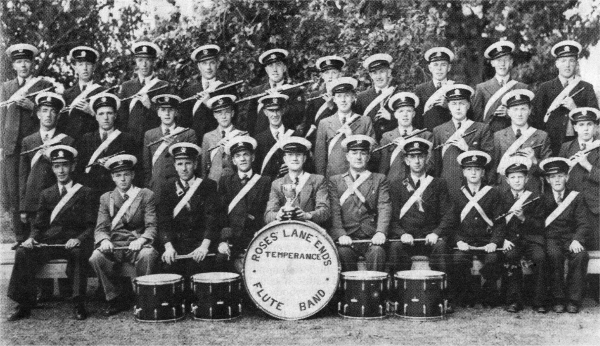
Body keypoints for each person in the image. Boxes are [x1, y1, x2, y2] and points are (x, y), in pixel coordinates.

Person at [7, 145, 95, 321]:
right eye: (56, 166)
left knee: (78, 254)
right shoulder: (46, 194)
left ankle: (79, 303)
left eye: (64, 165)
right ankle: (24, 304)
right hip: (51, 242)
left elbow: (91, 226)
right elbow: (39, 226)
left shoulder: (85, 192)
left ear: (72, 166)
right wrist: (32, 238)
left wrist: (78, 239)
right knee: (23, 252)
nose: (61, 170)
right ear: (52, 168)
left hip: (73, 242)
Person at [89, 154, 159, 316]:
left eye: (126, 174)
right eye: (118, 175)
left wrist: (142, 240)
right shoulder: (106, 198)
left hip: (136, 245)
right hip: (114, 246)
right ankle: (115, 297)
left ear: (133, 175)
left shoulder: (145, 195)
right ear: (112, 177)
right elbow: (100, 228)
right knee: (96, 257)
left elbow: (151, 226)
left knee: (148, 254)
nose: (123, 179)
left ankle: (144, 297)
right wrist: (104, 240)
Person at [0, 43, 53, 244]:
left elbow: (49, 114)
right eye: (19, 62)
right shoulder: (6, 88)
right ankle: (19, 236)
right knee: (15, 192)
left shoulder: (43, 86)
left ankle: (36, 235)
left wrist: (33, 107)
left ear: (32, 63)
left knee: (36, 189)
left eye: (27, 61)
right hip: (12, 147)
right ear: (13, 65)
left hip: (35, 145)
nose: (23, 65)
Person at [387, 138, 453, 277]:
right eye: (412, 156)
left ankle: (444, 294)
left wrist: (437, 232)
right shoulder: (397, 185)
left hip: (430, 238)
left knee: (442, 247)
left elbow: (448, 214)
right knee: (395, 248)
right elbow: (391, 218)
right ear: (406, 160)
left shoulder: (438, 184)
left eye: (420, 156)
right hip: (406, 239)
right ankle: (395, 295)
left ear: (427, 158)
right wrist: (401, 234)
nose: (417, 161)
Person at [449, 151, 505, 307]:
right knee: (458, 259)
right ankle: (467, 294)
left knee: (493, 259)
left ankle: (489, 292)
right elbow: (451, 223)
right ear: (464, 172)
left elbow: (499, 222)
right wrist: (458, 241)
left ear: (483, 172)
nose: (473, 173)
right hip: (465, 241)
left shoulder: (493, 193)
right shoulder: (456, 194)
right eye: (469, 169)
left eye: (477, 169)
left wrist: (494, 242)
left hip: (486, 241)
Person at [328, 135, 391, 272]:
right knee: (342, 254)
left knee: (378, 252)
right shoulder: (336, 181)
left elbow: (384, 206)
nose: (358, 157)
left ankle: (374, 292)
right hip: (347, 237)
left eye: (363, 153)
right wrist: (340, 234)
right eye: (354, 153)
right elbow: (334, 211)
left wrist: (380, 232)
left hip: (371, 237)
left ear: (368, 157)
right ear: (347, 156)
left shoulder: (379, 179)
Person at [159, 142, 220, 277]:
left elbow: (212, 219)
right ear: (175, 166)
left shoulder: (207, 185)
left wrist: (204, 246)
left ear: (195, 164)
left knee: (201, 269)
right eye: (180, 164)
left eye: (188, 163)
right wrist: (168, 247)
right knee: (168, 271)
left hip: (200, 244)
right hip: (177, 245)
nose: (184, 168)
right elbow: (164, 221)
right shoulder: (168, 187)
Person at [19, 92, 74, 241]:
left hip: (57, 200)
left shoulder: (67, 141)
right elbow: (23, 176)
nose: (48, 115)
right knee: (33, 244)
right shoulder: (28, 141)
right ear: (38, 114)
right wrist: (23, 207)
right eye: (44, 110)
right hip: (33, 202)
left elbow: (71, 175)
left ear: (58, 116)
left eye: (53, 111)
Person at [539, 157, 590, 313]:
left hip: (570, 238)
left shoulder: (576, 197)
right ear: (548, 180)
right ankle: (558, 298)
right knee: (554, 255)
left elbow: (583, 223)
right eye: (553, 177)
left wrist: (577, 239)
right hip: (551, 238)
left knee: (580, 255)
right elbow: (538, 224)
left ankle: (574, 300)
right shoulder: (541, 198)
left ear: (567, 177)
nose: (557, 180)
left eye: (560, 176)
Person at [532, 40, 598, 155]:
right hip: (551, 144)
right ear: (557, 63)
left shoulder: (586, 87)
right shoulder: (545, 88)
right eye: (563, 61)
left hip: (578, 143)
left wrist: (575, 109)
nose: (567, 65)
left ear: (576, 63)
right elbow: (536, 118)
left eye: (571, 61)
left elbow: (596, 117)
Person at [216, 136, 271, 273]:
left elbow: (266, 211)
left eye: (246, 154)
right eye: (238, 156)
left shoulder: (264, 181)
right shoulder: (225, 181)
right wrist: (223, 241)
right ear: (233, 160)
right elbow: (221, 213)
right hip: (232, 238)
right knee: (220, 260)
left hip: (255, 236)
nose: (242, 159)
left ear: (252, 157)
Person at [499, 156, 547, 313]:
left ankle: (539, 301)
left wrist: (524, 218)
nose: (517, 180)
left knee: (539, 258)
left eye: (520, 177)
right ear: (507, 180)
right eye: (513, 177)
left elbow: (540, 224)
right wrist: (503, 240)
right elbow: (497, 224)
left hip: (532, 239)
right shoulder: (500, 197)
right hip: (511, 240)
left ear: (526, 179)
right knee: (511, 256)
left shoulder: (536, 197)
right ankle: (514, 300)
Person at [432, 85, 494, 201]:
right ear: (448, 106)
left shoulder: (482, 128)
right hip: (447, 187)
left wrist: (468, 149)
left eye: (462, 103)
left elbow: (489, 159)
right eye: (454, 104)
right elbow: (435, 164)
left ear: (468, 105)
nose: (458, 108)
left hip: (474, 186)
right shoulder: (439, 131)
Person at [77, 93, 139, 201]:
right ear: (95, 116)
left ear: (115, 115)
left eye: (109, 113)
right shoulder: (86, 139)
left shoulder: (127, 139)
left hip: (117, 195)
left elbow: (135, 171)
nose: (105, 118)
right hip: (91, 195)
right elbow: (80, 170)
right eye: (101, 114)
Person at [492, 89, 551, 193]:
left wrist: (534, 160)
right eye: (515, 109)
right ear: (508, 112)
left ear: (529, 111)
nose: (519, 114)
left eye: (523, 109)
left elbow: (548, 169)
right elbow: (493, 171)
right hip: (505, 192)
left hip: (532, 192)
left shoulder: (541, 136)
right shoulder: (498, 136)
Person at [315, 77, 375, 177]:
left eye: (347, 96)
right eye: (339, 96)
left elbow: (374, 152)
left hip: (359, 177)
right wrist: (322, 182)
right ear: (334, 99)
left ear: (353, 98)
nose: (343, 100)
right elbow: (320, 158)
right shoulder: (324, 123)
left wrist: (352, 137)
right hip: (333, 178)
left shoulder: (365, 121)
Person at [143, 94, 197, 204]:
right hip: (157, 188)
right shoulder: (150, 135)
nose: (167, 114)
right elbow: (146, 166)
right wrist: (149, 186)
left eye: (171, 110)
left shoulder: (187, 133)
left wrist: (174, 143)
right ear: (158, 112)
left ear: (176, 112)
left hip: (180, 187)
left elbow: (194, 163)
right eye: (163, 110)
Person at [559, 107, 600, 250]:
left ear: (595, 126)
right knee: (575, 250)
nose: (586, 129)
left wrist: (588, 165)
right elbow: (560, 176)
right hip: (573, 206)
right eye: (581, 125)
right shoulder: (566, 147)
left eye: (589, 124)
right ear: (575, 127)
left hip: (596, 208)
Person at [264, 136, 330, 226]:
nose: (294, 158)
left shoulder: (318, 180)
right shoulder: (277, 184)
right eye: (290, 155)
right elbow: (268, 215)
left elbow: (325, 211)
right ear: (285, 159)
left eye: (298, 154)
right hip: (286, 234)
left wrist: (307, 215)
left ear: (304, 158)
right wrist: (278, 215)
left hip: (310, 232)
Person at [241, 48, 306, 136]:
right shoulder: (257, 92)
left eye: (278, 65)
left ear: (284, 68)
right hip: (262, 143)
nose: (275, 70)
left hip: (286, 141)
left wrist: (280, 101)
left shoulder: (295, 91)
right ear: (266, 70)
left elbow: (298, 117)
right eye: (271, 66)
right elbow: (250, 123)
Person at [180, 44, 238, 141]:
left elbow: (234, 118)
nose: (208, 67)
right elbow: (185, 122)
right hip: (196, 142)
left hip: (220, 140)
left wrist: (208, 104)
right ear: (198, 66)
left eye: (212, 63)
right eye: (204, 63)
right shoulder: (189, 91)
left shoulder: (227, 89)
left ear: (217, 64)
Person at [117, 41, 169, 144]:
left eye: (148, 60)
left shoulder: (163, 86)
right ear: (136, 61)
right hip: (131, 140)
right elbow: (121, 117)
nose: (144, 64)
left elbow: (170, 115)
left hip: (155, 139)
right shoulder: (126, 86)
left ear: (153, 61)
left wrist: (151, 106)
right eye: (140, 60)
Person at [472, 40, 528, 133]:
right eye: (498, 60)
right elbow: (477, 122)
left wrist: (510, 113)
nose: (502, 64)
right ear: (492, 63)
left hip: (515, 140)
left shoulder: (522, 88)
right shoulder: (481, 88)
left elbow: (531, 120)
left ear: (511, 62)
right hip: (490, 140)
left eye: (506, 59)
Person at [379, 92, 434, 184]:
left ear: (414, 114)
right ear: (395, 115)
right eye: (401, 111)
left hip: (419, 184)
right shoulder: (387, 137)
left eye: (408, 111)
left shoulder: (425, 136)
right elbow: (383, 169)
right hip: (393, 185)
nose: (405, 115)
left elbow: (431, 166)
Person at [58, 46, 106, 141]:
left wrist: (92, 112)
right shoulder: (67, 94)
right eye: (80, 64)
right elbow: (62, 123)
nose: (84, 68)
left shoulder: (103, 92)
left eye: (88, 64)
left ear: (94, 67)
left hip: (94, 142)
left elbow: (110, 121)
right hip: (71, 142)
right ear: (74, 67)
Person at [254, 93, 302, 181]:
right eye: (271, 111)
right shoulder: (258, 140)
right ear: (265, 112)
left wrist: (293, 166)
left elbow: (307, 165)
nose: (275, 114)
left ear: (283, 111)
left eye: (277, 110)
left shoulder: (295, 136)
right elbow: (256, 171)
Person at [200, 94, 245, 185]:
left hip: (234, 183)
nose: (223, 116)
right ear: (214, 115)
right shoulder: (208, 137)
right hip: (213, 183)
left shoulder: (241, 134)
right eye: (219, 113)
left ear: (232, 113)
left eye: (227, 112)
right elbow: (204, 166)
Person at [355, 53, 397, 141]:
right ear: (370, 76)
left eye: (382, 72)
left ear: (388, 72)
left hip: (393, 143)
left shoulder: (397, 94)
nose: (378, 77)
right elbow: (359, 125)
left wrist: (391, 117)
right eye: (374, 73)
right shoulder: (362, 97)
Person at [304, 55, 346, 143]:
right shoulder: (314, 96)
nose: (330, 76)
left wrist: (332, 108)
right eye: (327, 73)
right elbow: (308, 124)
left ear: (340, 74)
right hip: (317, 141)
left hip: (337, 141)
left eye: (334, 72)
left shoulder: (345, 97)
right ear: (322, 75)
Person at [414, 47, 455, 131]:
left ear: (449, 67)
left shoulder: (455, 87)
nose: (439, 68)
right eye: (435, 65)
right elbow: (417, 119)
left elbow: (467, 115)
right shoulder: (420, 89)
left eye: (443, 64)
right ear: (430, 68)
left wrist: (449, 106)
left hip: (451, 135)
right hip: (429, 136)